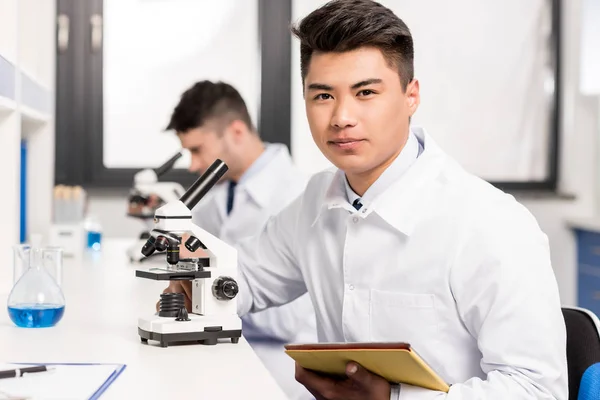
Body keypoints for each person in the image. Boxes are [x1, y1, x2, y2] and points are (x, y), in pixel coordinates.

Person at [172, 1, 568, 398]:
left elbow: (537, 390)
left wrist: (394, 399)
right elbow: (248, 280)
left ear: (411, 96)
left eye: (365, 92)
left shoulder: (491, 224)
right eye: (323, 96)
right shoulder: (314, 201)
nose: (342, 116)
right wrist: (190, 284)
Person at [162, 80, 316, 400]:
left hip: (277, 369)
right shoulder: (221, 192)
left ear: (235, 132)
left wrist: (205, 293)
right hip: (224, 352)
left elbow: (287, 320)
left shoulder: (296, 195)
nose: (192, 165)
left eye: (196, 150)